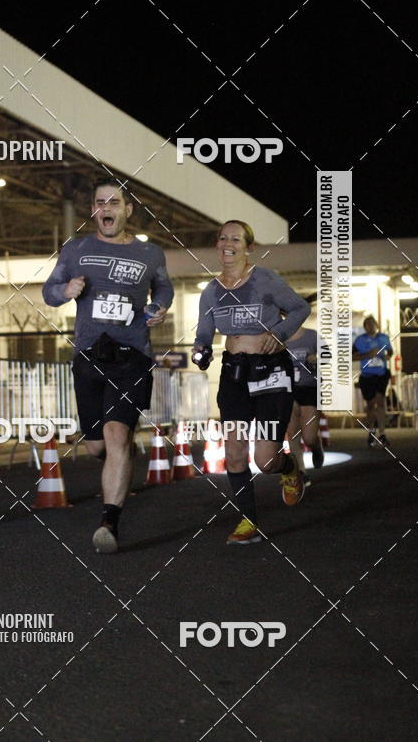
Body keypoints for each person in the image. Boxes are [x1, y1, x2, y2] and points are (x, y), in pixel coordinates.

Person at [42, 179, 174, 553]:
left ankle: (109, 523)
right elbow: (49, 291)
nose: (107, 209)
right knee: (97, 446)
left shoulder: (150, 253)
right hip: (89, 356)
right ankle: (122, 454)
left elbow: (164, 288)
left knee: (116, 437)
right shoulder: (76, 249)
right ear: (93, 210)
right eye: (100, 202)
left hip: (132, 356)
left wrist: (159, 308)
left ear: (127, 210)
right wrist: (65, 292)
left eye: (114, 202)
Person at [193, 220, 310, 545]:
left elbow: (300, 308)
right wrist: (200, 349)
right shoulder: (211, 291)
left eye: (235, 238)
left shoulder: (265, 279)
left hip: (271, 371)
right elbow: (205, 332)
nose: (227, 243)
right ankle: (248, 521)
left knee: (266, 460)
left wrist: (279, 334)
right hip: (234, 373)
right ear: (217, 245)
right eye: (222, 238)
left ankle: (287, 468)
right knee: (233, 453)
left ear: (249, 247)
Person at [285, 327, 325, 487]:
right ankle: (301, 471)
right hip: (287, 388)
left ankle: (316, 446)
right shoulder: (278, 336)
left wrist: (318, 357)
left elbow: (328, 355)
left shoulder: (312, 335)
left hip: (310, 387)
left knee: (309, 437)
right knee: (292, 432)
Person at [353, 316, 393, 447]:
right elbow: (352, 356)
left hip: (381, 374)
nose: (371, 326)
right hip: (367, 376)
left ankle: (382, 434)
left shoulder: (384, 338)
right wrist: (368, 355)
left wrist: (385, 356)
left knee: (380, 401)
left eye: (372, 323)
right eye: (368, 324)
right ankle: (371, 430)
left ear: (376, 325)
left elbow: (390, 353)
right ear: (365, 327)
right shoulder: (360, 340)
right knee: (370, 405)